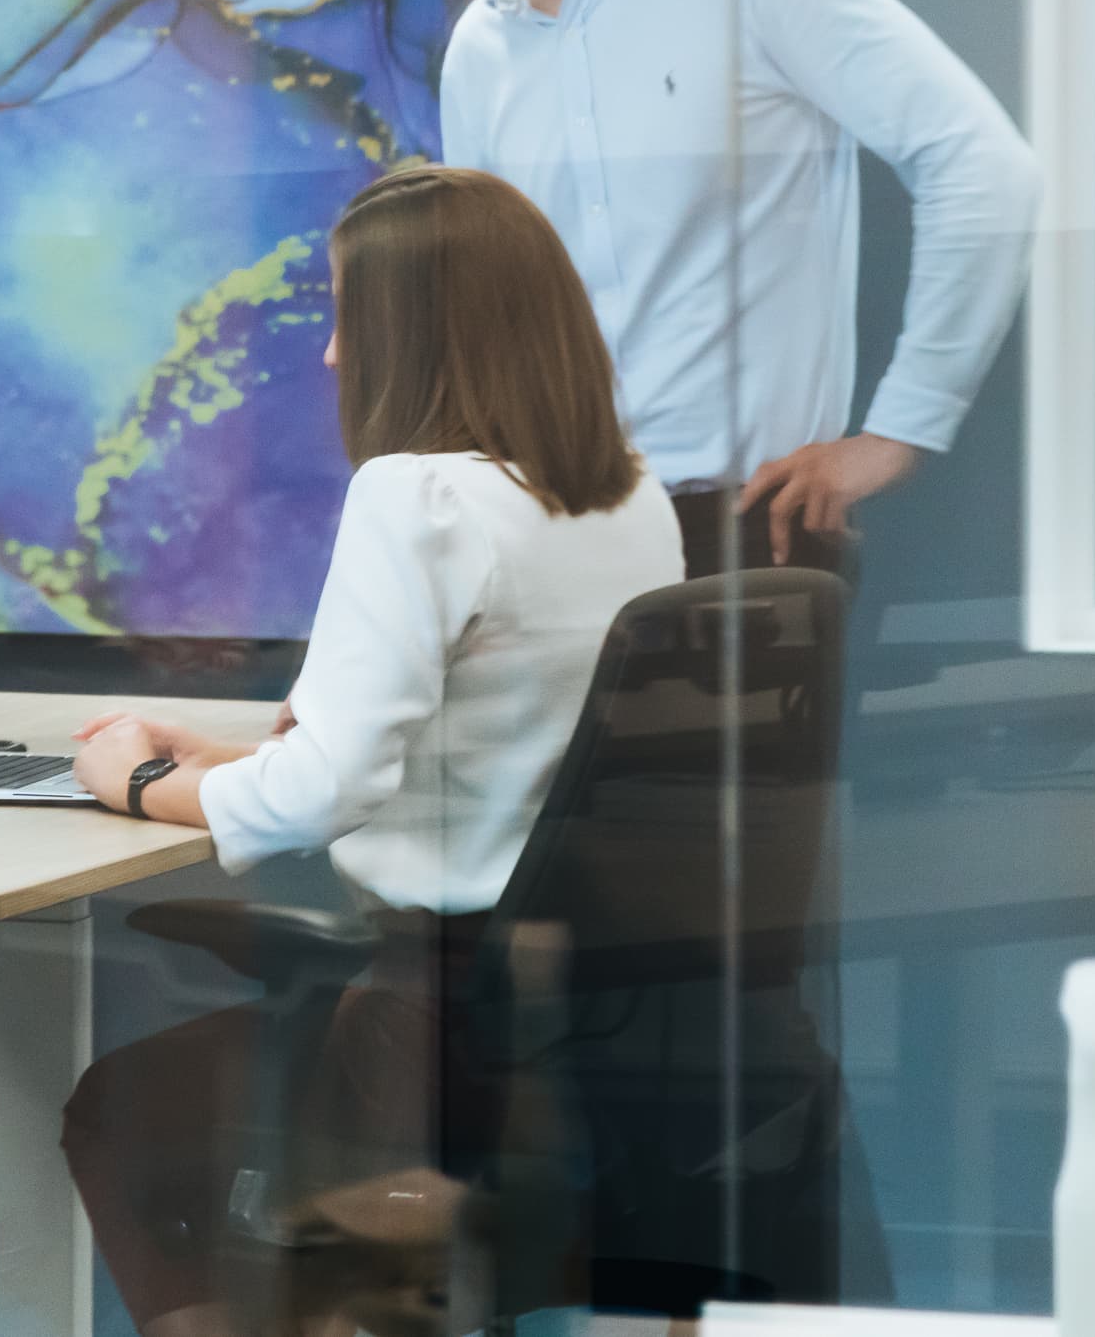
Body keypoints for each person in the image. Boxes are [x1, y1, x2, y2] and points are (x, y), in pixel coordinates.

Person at [60, 165, 683, 1337]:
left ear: (420, 331)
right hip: (587, 1014)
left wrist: (136, 779)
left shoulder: (417, 494)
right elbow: (493, 727)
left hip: (431, 1030)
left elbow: (322, 796)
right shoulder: (629, 496)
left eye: (352, 316)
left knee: (119, 1108)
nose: (337, 355)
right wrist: (233, 753)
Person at [305, 0, 1042, 575]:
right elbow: (487, 326)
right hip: (549, 551)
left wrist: (900, 431)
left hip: (751, 538)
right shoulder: (476, 56)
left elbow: (983, 165)